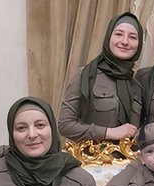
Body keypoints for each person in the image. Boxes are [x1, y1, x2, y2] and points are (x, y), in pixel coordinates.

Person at [59, 12, 143, 142]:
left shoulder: (137, 83)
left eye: (132, 37)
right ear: (108, 37)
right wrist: (108, 133)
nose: (125, 41)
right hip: (93, 154)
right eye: (119, 34)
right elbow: (65, 125)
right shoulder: (86, 76)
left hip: (130, 155)